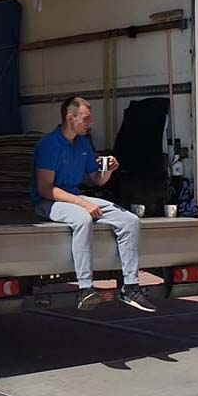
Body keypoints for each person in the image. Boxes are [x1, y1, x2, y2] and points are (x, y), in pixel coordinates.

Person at [31, 96, 156, 312]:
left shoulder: (83, 143)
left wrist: (108, 169)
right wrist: (83, 204)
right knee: (82, 218)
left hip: (73, 197)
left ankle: (131, 287)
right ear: (71, 118)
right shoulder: (49, 144)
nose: (91, 123)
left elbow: (97, 180)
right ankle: (85, 288)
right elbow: (45, 188)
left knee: (130, 220)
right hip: (48, 201)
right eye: (86, 119)